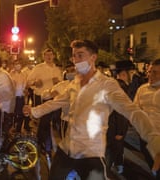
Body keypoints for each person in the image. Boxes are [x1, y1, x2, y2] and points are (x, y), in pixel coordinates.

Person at [23, 40, 160, 179]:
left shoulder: (107, 85)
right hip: (67, 149)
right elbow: (56, 102)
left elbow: (133, 112)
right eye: (74, 55)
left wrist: (156, 145)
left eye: (80, 55)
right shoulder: (74, 83)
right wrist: (34, 110)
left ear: (93, 57)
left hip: (90, 154)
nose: (76, 60)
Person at [27, 48, 63, 166]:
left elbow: (62, 86)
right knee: (44, 122)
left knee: (46, 122)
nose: (48, 57)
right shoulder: (38, 68)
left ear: (53, 56)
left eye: (50, 55)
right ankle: (44, 145)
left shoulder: (57, 70)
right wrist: (35, 83)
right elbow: (29, 81)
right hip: (41, 98)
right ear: (43, 56)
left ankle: (40, 143)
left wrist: (57, 83)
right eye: (46, 55)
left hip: (53, 99)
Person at [105, 60, 134, 174]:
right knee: (110, 154)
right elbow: (120, 112)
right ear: (123, 74)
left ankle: (116, 165)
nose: (132, 75)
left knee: (112, 152)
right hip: (115, 128)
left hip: (112, 127)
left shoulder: (115, 85)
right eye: (130, 73)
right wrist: (120, 132)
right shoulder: (120, 87)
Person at [134, 59, 160, 178]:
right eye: (149, 71)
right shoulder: (142, 89)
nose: (150, 75)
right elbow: (135, 109)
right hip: (145, 137)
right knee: (152, 165)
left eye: (155, 72)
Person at [10, 59, 31, 132]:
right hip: (13, 97)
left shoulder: (24, 74)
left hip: (21, 97)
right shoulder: (11, 74)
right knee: (14, 113)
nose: (17, 65)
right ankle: (13, 127)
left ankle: (18, 129)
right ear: (13, 65)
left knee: (22, 113)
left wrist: (26, 90)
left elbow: (26, 85)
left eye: (19, 64)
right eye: (16, 64)